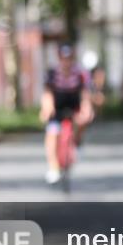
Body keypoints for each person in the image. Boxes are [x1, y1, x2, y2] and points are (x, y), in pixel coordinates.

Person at [39, 43, 93, 186]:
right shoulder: (51, 73)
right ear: (59, 58)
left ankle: (77, 143)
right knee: (52, 133)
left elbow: (85, 94)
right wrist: (46, 108)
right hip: (57, 107)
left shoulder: (81, 74)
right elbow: (47, 94)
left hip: (74, 105)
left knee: (83, 120)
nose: (66, 61)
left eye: (69, 58)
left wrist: (86, 109)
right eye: (63, 58)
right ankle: (53, 167)